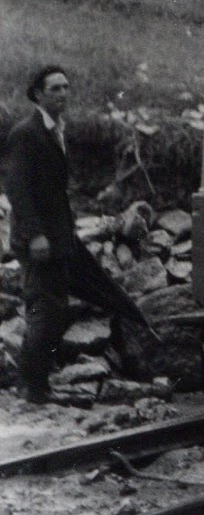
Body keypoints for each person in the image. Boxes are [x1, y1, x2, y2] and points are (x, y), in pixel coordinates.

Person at [3, 66, 151, 406]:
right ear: (37, 94)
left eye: (67, 87)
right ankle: (31, 388)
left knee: (54, 309)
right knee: (46, 309)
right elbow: (18, 190)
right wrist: (36, 235)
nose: (63, 94)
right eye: (55, 89)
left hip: (58, 238)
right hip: (38, 241)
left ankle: (36, 385)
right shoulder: (27, 133)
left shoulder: (56, 130)